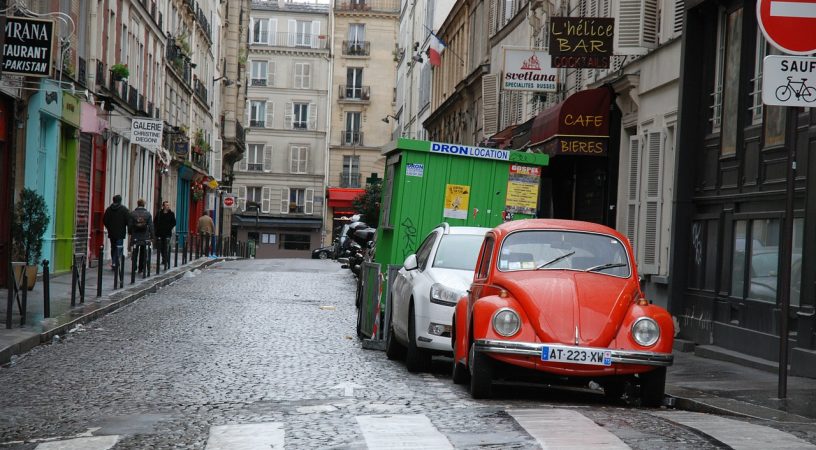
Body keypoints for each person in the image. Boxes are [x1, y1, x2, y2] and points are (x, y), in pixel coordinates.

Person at [103, 195, 129, 271]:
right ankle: (115, 262)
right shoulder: (124, 209)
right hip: (120, 232)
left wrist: (109, 227)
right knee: (119, 247)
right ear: (120, 201)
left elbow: (105, 220)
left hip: (112, 232)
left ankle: (114, 261)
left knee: (113, 247)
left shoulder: (109, 209)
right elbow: (128, 221)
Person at [129, 199, 154, 273]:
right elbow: (151, 226)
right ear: (144, 205)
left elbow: (130, 225)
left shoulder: (132, 213)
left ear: (137, 204)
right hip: (144, 235)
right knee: (143, 252)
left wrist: (130, 233)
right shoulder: (148, 214)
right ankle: (141, 267)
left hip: (135, 235)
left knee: (135, 251)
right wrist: (152, 236)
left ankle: (134, 267)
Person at [155, 200, 176, 268]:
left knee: (166, 247)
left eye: (168, 205)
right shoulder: (159, 213)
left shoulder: (171, 213)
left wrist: (169, 227)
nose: (168, 206)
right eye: (166, 205)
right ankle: (163, 258)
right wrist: (157, 229)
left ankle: (166, 260)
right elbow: (155, 222)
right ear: (163, 206)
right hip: (160, 233)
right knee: (161, 248)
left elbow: (174, 222)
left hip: (167, 233)